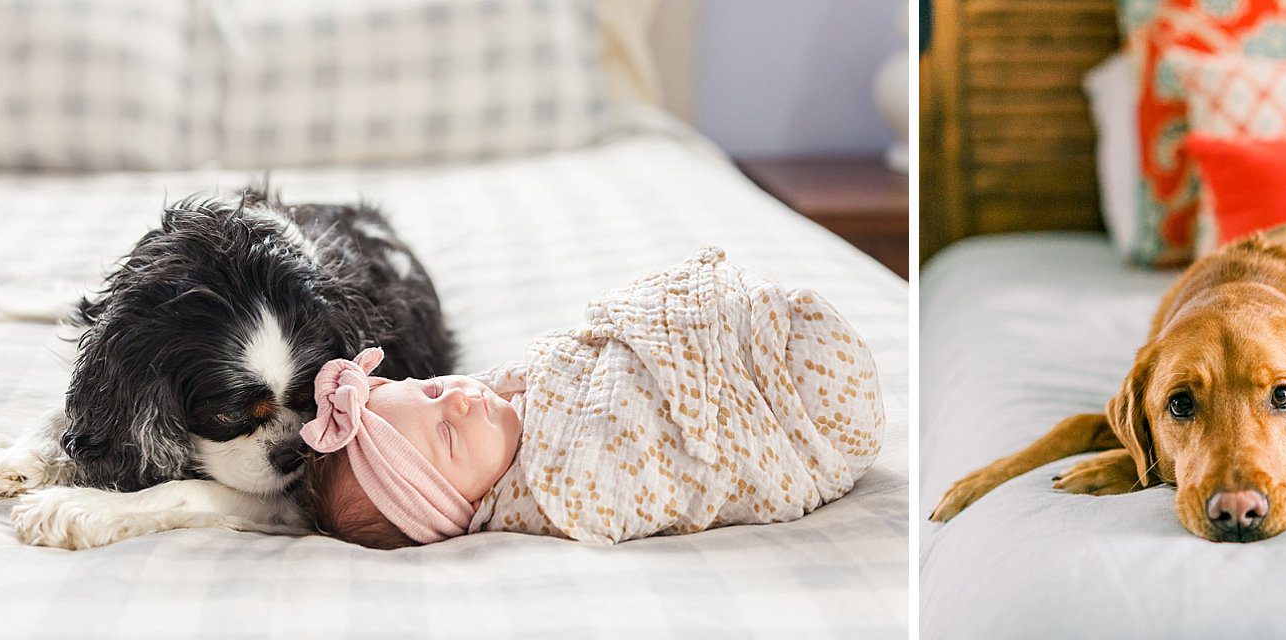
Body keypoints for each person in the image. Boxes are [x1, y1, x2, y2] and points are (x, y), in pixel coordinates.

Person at [298, 248, 884, 548]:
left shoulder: (503, 408)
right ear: (458, 510)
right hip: (808, 417)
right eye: (447, 437)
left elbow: (570, 354)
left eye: (430, 389)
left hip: (759, 340)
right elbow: (665, 475)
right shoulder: (563, 491)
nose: (455, 400)